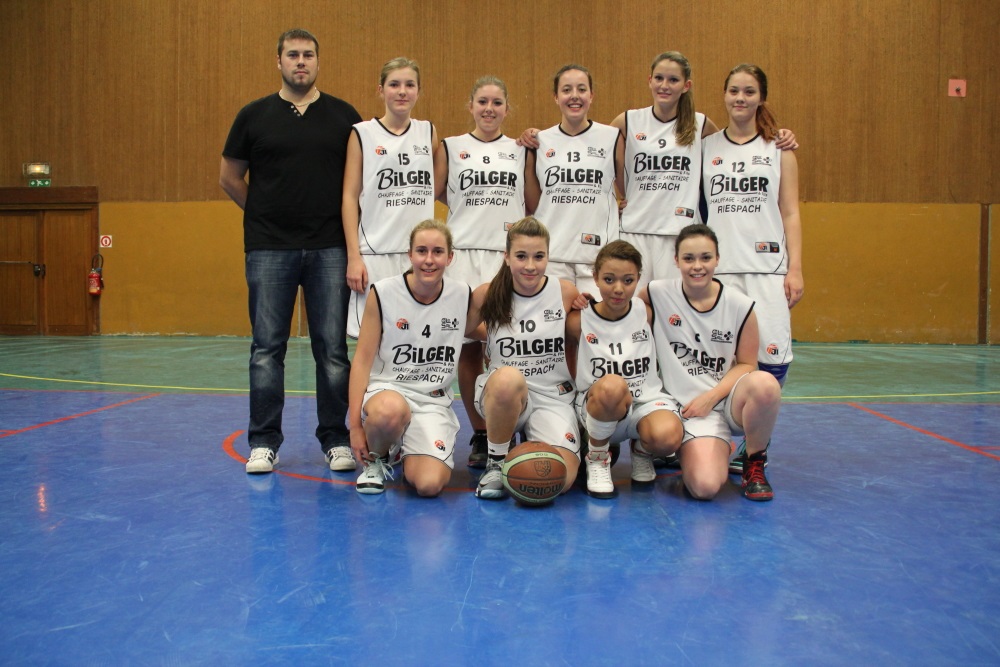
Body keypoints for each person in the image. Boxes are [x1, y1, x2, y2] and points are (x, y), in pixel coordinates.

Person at [220, 28, 360, 475]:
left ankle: (335, 440)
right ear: (278, 61)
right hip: (269, 249)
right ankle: (264, 442)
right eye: (293, 54)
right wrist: (264, 212)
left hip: (330, 248)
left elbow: (360, 181)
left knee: (332, 350)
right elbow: (229, 178)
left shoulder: (344, 117)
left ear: (318, 61)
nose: (301, 61)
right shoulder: (253, 115)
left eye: (308, 55)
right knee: (266, 349)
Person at [701, 63, 802, 472]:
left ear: (761, 98)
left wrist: (796, 269)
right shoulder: (706, 147)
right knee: (721, 359)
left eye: (749, 91)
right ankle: (712, 434)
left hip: (767, 268)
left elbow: (790, 212)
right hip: (720, 271)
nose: (740, 98)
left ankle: (756, 443)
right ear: (724, 95)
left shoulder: (779, 148)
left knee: (773, 357)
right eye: (734, 91)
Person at [642, 224, 781, 501]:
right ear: (676, 260)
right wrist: (584, 304)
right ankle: (689, 447)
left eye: (705, 257)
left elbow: (747, 364)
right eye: (689, 258)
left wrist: (711, 397)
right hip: (676, 406)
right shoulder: (657, 292)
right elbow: (620, 309)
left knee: (766, 384)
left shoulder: (740, 305)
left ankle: (753, 461)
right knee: (703, 487)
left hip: (720, 404)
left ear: (717, 259)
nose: (697, 266)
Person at [434, 75, 528, 469]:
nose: (489, 109)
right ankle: (482, 432)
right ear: (470, 106)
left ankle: (512, 424)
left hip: (505, 258)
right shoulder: (451, 147)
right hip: (464, 256)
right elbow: (436, 191)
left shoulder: (521, 150)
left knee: (510, 345)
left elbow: (533, 198)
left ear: (507, 108)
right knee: (470, 346)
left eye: (497, 103)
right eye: (483, 102)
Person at [348, 220, 478, 496]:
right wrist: (355, 426)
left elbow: (491, 330)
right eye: (421, 251)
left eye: (437, 252)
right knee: (389, 411)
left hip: (432, 402)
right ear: (410, 255)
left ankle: (405, 448)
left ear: (450, 257)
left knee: (429, 485)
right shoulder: (383, 293)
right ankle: (378, 457)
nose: (429, 260)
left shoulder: (461, 295)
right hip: (389, 392)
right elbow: (361, 361)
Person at [470, 217, 581, 500]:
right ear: (507, 257)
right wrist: (490, 336)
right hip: (503, 395)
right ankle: (496, 462)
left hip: (552, 397)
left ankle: (529, 443)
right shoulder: (487, 294)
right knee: (508, 378)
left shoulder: (565, 292)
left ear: (548, 256)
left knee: (559, 480)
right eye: (521, 256)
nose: (530, 265)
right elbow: (462, 329)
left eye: (538, 256)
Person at [567, 240, 682, 498]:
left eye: (628, 281)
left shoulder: (647, 313)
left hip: (644, 403)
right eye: (609, 280)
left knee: (669, 436)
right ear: (595, 277)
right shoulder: (578, 320)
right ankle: (597, 458)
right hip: (600, 406)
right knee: (612, 385)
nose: (618, 289)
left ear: (638, 279)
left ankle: (642, 451)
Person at [343, 57, 439, 338]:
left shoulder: (428, 132)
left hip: (419, 257)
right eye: (394, 84)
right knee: (373, 340)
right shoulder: (362, 133)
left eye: (410, 85)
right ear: (381, 89)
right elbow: (349, 197)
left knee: (418, 336)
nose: (402, 91)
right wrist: (353, 257)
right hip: (376, 254)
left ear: (418, 91)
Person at [523, 64, 621, 297]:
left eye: (581, 89)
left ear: (591, 95)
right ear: (556, 97)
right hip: (553, 257)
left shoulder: (612, 137)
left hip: (597, 257)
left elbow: (630, 187)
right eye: (566, 90)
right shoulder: (540, 141)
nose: (574, 96)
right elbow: (535, 203)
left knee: (595, 319)